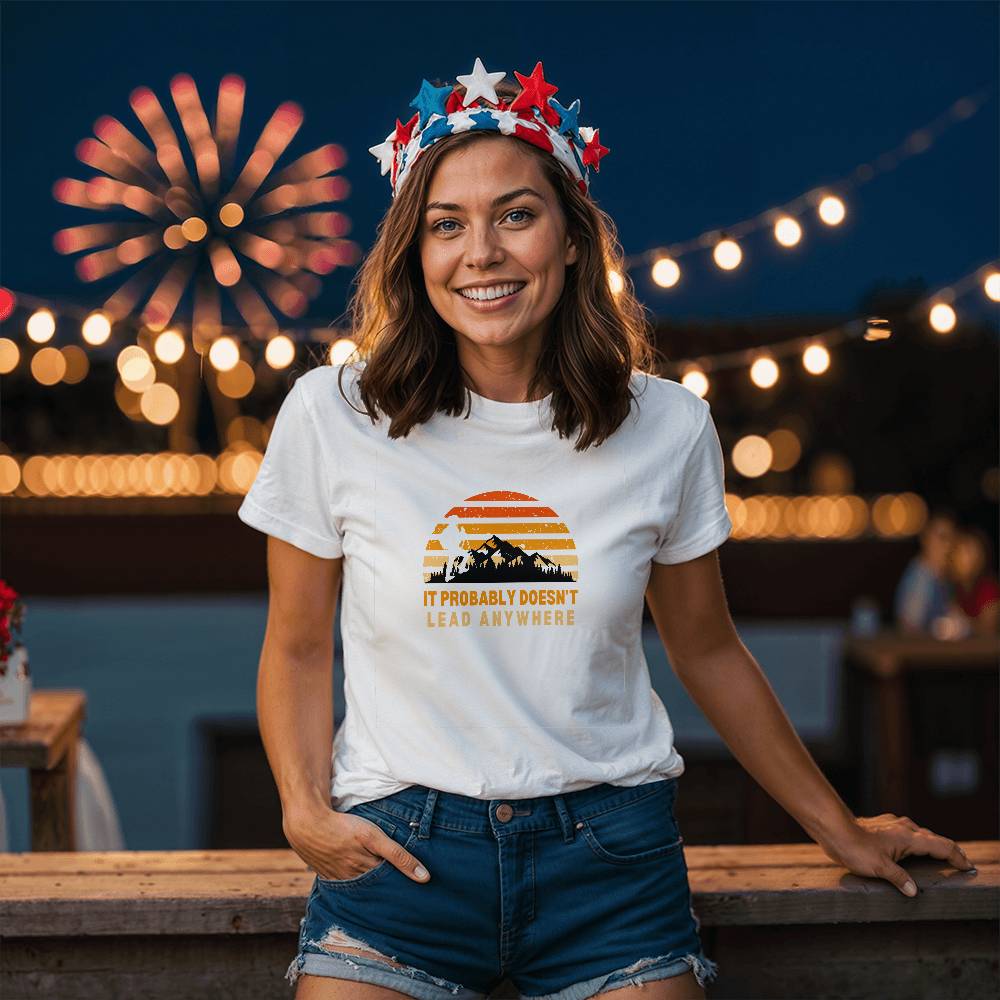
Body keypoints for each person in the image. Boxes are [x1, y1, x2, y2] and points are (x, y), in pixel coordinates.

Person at [238, 58, 976, 1000]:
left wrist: (839, 828)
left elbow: (709, 649)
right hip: (398, 858)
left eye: (516, 214)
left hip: (610, 863)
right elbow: (297, 647)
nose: (482, 254)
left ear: (573, 237)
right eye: (445, 225)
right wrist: (303, 809)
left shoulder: (668, 426)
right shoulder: (333, 414)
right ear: (413, 255)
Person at [893, 511, 960, 635]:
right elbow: (910, 627)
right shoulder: (920, 576)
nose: (947, 544)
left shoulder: (944, 576)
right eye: (942, 537)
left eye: (951, 538)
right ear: (925, 538)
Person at [950, 526, 1000, 636]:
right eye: (959, 551)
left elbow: (989, 631)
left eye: (969, 553)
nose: (962, 558)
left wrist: (964, 625)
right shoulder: (954, 588)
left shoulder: (989, 589)